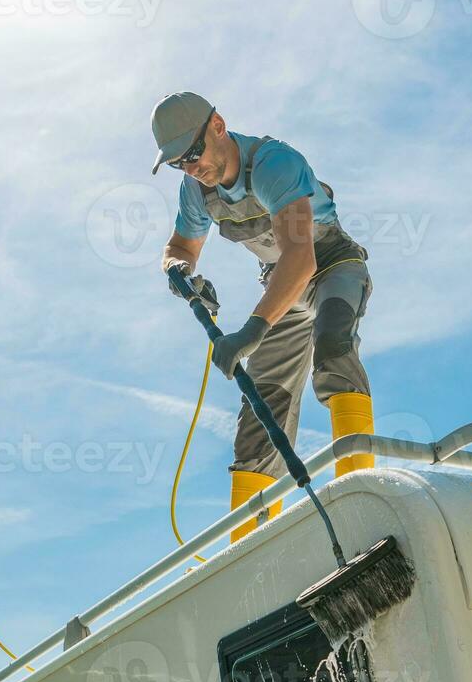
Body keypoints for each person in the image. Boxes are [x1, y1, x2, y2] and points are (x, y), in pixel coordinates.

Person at [152, 91, 376, 542]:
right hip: (281, 287)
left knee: (332, 346)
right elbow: (180, 248)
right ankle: (248, 547)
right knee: (260, 405)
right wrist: (178, 272)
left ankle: (363, 502)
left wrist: (252, 331)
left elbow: (301, 257)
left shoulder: (274, 163)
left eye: (193, 154)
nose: (192, 168)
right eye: (179, 163)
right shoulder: (197, 191)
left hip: (330, 263)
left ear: (219, 125)